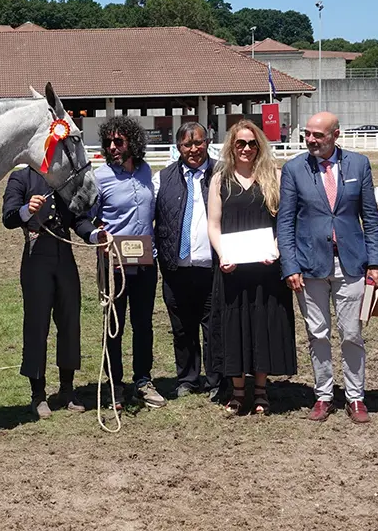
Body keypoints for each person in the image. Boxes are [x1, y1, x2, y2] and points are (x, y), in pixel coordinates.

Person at [277, 112, 378, 424]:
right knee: (317, 333)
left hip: (351, 263)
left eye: (318, 135)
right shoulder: (294, 169)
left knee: (351, 333)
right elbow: (285, 223)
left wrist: (376, 262)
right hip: (309, 265)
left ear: (335, 135)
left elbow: (370, 217)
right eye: (307, 134)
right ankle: (323, 395)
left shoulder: (359, 165)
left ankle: (355, 397)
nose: (310, 140)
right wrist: (290, 265)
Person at [206, 120, 297, 416]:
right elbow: (213, 224)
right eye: (240, 143)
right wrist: (222, 255)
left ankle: (260, 390)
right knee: (233, 325)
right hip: (231, 268)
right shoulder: (219, 180)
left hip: (266, 268)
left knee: (263, 325)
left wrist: (276, 249)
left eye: (252, 143)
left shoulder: (274, 176)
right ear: (231, 146)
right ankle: (237, 391)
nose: (246, 149)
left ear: (260, 145)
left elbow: (284, 221)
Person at [3, 167, 100, 418]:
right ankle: (38, 394)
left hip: (64, 257)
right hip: (36, 257)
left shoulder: (67, 180)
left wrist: (94, 235)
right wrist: (27, 210)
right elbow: (8, 217)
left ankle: (67, 389)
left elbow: (78, 219)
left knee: (70, 323)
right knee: (37, 326)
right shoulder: (21, 178)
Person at [92, 115, 165, 409]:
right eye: (108, 141)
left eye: (118, 141)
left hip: (146, 263)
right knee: (115, 325)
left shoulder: (147, 172)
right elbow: (87, 217)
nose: (113, 147)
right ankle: (115, 385)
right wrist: (98, 233)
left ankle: (143, 381)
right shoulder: (99, 178)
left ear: (132, 142)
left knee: (143, 324)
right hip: (114, 265)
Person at [152, 122, 222, 401]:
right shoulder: (162, 178)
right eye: (187, 144)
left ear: (208, 143)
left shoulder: (222, 174)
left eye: (198, 142)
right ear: (178, 147)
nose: (193, 149)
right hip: (175, 268)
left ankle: (216, 379)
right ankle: (188, 379)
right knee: (182, 328)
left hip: (212, 266)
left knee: (214, 327)